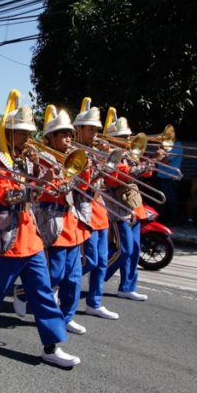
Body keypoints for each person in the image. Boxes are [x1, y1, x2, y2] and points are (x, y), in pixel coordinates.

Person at [0, 89, 80, 368]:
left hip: (31, 235)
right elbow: (3, 196)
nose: (27, 138)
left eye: (29, 133)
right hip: (7, 232)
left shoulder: (30, 159)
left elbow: (47, 190)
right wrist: (37, 185)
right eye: (21, 133)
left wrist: (51, 176)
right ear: (8, 133)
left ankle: (51, 345)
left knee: (43, 292)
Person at [24, 104, 91, 335]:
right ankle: (25, 292)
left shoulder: (74, 156)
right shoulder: (41, 158)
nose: (68, 139)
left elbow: (83, 188)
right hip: (50, 217)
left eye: (69, 134)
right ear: (51, 137)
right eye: (62, 134)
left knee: (74, 277)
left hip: (71, 218)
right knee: (55, 273)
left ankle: (66, 316)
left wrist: (86, 168)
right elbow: (43, 189)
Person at [73, 98, 119, 320]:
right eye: (90, 129)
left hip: (99, 209)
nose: (94, 133)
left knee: (101, 261)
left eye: (95, 129)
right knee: (88, 260)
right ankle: (51, 286)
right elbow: (79, 184)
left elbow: (109, 180)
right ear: (79, 129)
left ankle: (94, 302)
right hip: (82, 210)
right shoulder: (73, 152)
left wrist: (107, 160)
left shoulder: (96, 151)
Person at [105, 115, 148, 302]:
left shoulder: (129, 154)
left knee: (135, 250)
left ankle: (127, 287)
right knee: (124, 250)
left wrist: (151, 162)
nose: (127, 140)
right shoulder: (110, 155)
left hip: (134, 206)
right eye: (122, 137)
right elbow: (117, 177)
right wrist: (139, 167)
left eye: (127, 136)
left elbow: (146, 173)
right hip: (118, 209)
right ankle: (99, 276)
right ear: (113, 139)